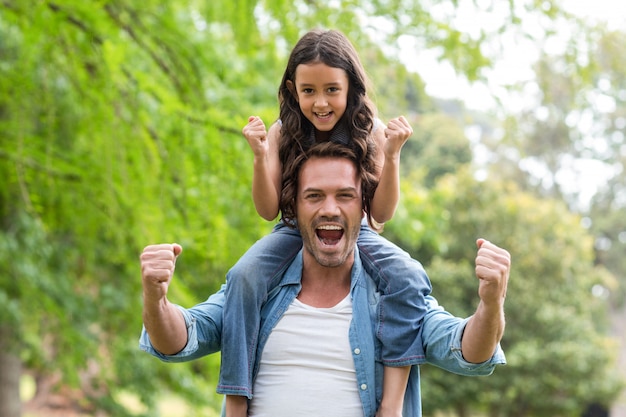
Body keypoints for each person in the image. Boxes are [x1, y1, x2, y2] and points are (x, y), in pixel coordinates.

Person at [139, 141, 510, 417]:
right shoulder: (256, 288)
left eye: (345, 196)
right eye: (314, 195)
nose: (329, 208)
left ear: (363, 208)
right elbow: (178, 340)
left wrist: (490, 305)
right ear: (293, 208)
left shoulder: (394, 296)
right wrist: (155, 299)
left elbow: (466, 351)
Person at [222, 28, 429, 416]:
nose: (320, 103)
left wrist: (393, 154)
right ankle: (236, 398)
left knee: (408, 276)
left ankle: (392, 406)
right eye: (308, 91)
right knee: (242, 277)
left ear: (352, 85)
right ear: (292, 89)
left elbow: (381, 213)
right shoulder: (284, 131)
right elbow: (267, 209)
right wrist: (258, 155)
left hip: (357, 233)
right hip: (291, 231)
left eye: (332, 89)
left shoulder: (370, 131)